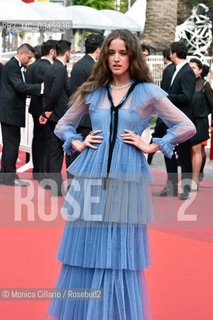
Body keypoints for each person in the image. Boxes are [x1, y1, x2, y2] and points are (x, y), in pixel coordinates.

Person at [47, 29, 195, 319]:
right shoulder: (94, 90)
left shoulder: (147, 92)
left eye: (123, 53)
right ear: (104, 55)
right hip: (92, 175)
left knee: (119, 251)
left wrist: (151, 145)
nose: (116, 58)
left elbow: (185, 126)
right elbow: (62, 125)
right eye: (111, 52)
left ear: (133, 56)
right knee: (85, 246)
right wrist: (78, 141)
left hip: (128, 176)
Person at [153, 41, 196, 200]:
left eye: (170, 52)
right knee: (167, 153)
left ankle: (186, 188)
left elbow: (186, 97)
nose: (169, 54)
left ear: (174, 53)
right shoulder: (173, 70)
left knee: (184, 156)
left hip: (182, 122)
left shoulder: (187, 72)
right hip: (169, 120)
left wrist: (166, 98)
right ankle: (171, 187)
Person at [0, 44, 43, 186]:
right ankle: (9, 177)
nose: (29, 60)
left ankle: (5, 175)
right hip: (10, 112)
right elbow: (19, 86)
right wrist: (41, 88)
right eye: (29, 57)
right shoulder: (12, 66)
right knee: (12, 145)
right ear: (22, 53)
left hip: (10, 111)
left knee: (9, 145)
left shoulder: (13, 65)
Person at [66, 34, 104, 171]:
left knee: (75, 154)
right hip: (88, 119)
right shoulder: (94, 68)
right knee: (84, 156)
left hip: (78, 116)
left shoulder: (79, 64)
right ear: (99, 50)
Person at [39, 40, 71, 196]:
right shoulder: (59, 69)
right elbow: (55, 92)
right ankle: (57, 186)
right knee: (61, 151)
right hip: (58, 115)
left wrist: (46, 111)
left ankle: (54, 185)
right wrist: (48, 111)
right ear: (67, 53)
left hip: (53, 115)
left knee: (54, 151)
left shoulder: (51, 68)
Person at [26, 40, 57, 181]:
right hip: (45, 109)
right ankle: (43, 172)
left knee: (37, 138)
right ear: (52, 51)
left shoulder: (32, 66)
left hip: (34, 106)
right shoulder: (49, 68)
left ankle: (37, 170)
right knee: (46, 141)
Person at [147, 48, 176, 164]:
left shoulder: (169, 70)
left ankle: (149, 158)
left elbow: (164, 90)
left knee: (157, 135)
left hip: (165, 111)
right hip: (171, 110)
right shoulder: (174, 69)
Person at [189, 58, 213, 190]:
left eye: (194, 67)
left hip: (201, 121)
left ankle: (194, 181)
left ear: (200, 70)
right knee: (190, 151)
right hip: (187, 121)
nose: (191, 70)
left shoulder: (204, 85)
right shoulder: (186, 84)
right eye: (189, 67)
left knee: (196, 149)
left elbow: (212, 105)